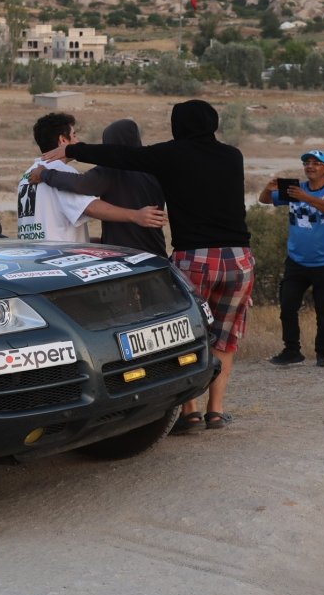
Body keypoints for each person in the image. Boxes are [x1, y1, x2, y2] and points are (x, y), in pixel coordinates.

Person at [61, 100, 253, 433]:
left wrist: (73, 150)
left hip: (195, 258)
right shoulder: (232, 156)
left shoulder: (172, 154)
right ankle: (216, 412)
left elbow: (122, 156)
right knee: (225, 338)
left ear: (179, 125)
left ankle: (189, 412)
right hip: (239, 258)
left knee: (187, 335)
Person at [16, 113, 167, 243]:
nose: (78, 141)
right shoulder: (59, 171)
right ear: (63, 140)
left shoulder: (28, 174)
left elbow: (51, 225)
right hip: (59, 261)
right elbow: (91, 207)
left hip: (33, 258)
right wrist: (136, 216)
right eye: (74, 135)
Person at [261, 150, 324, 367]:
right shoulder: (294, 189)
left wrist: (305, 197)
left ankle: (323, 354)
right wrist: (269, 188)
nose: (310, 166)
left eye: (316, 163)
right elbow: (264, 200)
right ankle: (291, 351)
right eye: (307, 163)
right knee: (287, 307)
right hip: (296, 261)